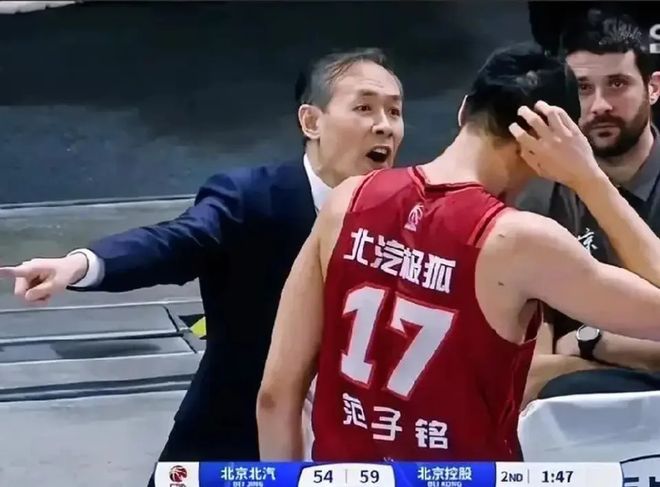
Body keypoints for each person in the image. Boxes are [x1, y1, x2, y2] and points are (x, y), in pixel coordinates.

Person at [0, 48, 404, 477]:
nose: (384, 126)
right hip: (232, 438)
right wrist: (81, 265)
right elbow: (178, 241)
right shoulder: (251, 198)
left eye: (395, 112)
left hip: (361, 445)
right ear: (311, 122)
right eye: (364, 108)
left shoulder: (408, 212)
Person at [256, 42, 660, 462]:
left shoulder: (347, 199)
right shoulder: (519, 241)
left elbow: (275, 395)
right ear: (548, 145)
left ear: (464, 110)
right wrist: (589, 179)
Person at [517, 11, 660, 404]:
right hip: (575, 420)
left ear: (653, 88)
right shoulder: (538, 198)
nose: (599, 105)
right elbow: (529, 375)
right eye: (582, 88)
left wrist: (593, 342)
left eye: (617, 84)